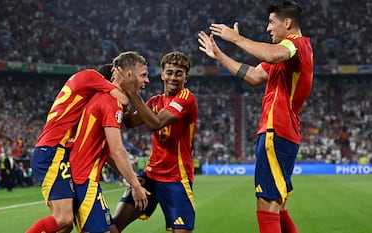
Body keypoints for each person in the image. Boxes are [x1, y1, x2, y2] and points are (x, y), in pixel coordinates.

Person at [197, 1, 313, 233]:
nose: (268, 28)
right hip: (282, 133)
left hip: (276, 131)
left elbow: (271, 55)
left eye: (272, 22)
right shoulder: (287, 57)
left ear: (287, 23)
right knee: (278, 206)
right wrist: (220, 56)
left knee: (266, 203)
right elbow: (253, 76)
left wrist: (236, 39)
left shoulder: (295, 45)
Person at [26, 65, 129, 233]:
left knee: (65, 226)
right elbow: (122, 99)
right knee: (63, 219)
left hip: (55, 150)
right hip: (52, 150)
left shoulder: (80, 87)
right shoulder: (91, 76)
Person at [111, 51, 198, 233]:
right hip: (150, 177)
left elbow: (156, 123)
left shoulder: (186, 98)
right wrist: (122, 93)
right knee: (113, 226)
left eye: (179, 73)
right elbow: (130, 122)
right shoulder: (154, 101)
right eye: (169, 72)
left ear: (186, 78)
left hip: (176, 179)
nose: (173, 77)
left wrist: (133, 92)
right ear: (162, 74)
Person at [69, 51, 150, 233]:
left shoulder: (108, 99)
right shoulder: (111, 101)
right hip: (84, 179)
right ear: (129, 74)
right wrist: (136, 186)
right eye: (143, 75)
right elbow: (117, 151)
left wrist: (130, 178)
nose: (147, 81)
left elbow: (104, 152)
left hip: (84, 178)